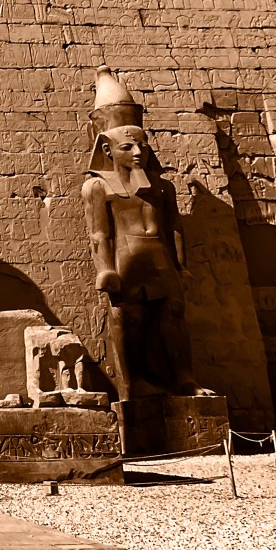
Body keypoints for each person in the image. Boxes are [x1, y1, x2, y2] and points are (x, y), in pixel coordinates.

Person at [81, 71, 196, 398]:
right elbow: (99, 234)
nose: (138, 153)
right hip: (126, 259)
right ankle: (131, 384)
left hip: (160, 258)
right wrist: (105, 269)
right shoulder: (98, 187)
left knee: (174, 317)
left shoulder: (162, 187)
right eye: (128, 146)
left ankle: (185, 378)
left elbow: (174, 227)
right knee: (128, 321)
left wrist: (182, 265)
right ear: (107, 148)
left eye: (142, 146)